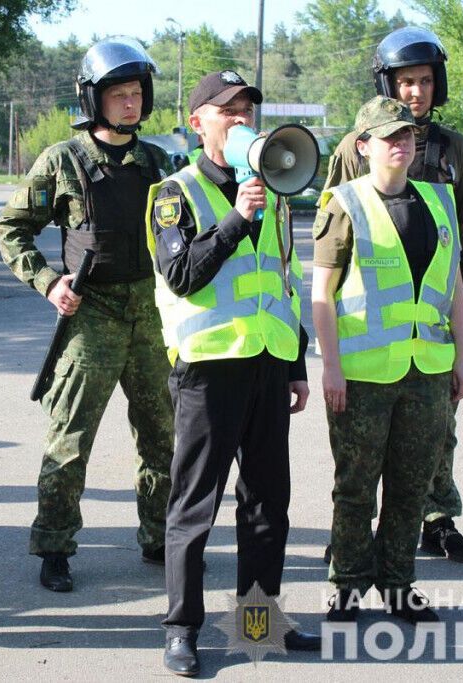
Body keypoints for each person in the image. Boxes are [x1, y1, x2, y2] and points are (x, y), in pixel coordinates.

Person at [148, 70, 320, 676]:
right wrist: (235, 220)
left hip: (269, 368)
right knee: (195, 507)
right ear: (198, 123)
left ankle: (257, 627)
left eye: (248, 108)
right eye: (229, 110)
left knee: (268, 504)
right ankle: (182, 630)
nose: (242, 117)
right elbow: (182, 275)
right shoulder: (174, 191)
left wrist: (296, 363)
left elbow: (283, 283)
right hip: (208, 373)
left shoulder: (273, 194)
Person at [0, 36, 174, 593]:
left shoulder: (158, 161)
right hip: (91, 314)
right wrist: (49, 282)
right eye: (118, 94)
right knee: (70, 438)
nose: (130, 103)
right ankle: (54, 546)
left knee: (163, 435)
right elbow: (12, 228)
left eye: (136, 93)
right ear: (93, 99)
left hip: (150, 312)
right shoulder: (63, 160)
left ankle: (162, 537)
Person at [321, 26, 463, 565]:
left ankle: (437, 519)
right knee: (365, 448)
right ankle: (350, 543)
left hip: (440, 306)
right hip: (372, 317)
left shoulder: (451, 149)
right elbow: (336, 224)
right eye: (404, 82)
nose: (414, 92)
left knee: (437, 425)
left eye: (423, 81)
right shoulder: (358, 145)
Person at [312, 96, 463, 623]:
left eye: (407, 135)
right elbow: (323, 291)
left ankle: (399, 584)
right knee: (356, 487)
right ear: (364, 146)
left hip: (427, 372)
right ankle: (348, 584)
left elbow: (453, 289)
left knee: (411, 487)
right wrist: (330, 365)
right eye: (389, 137)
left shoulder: (439, 199)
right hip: (361, 376)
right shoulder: (343, 202)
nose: (402, 143)